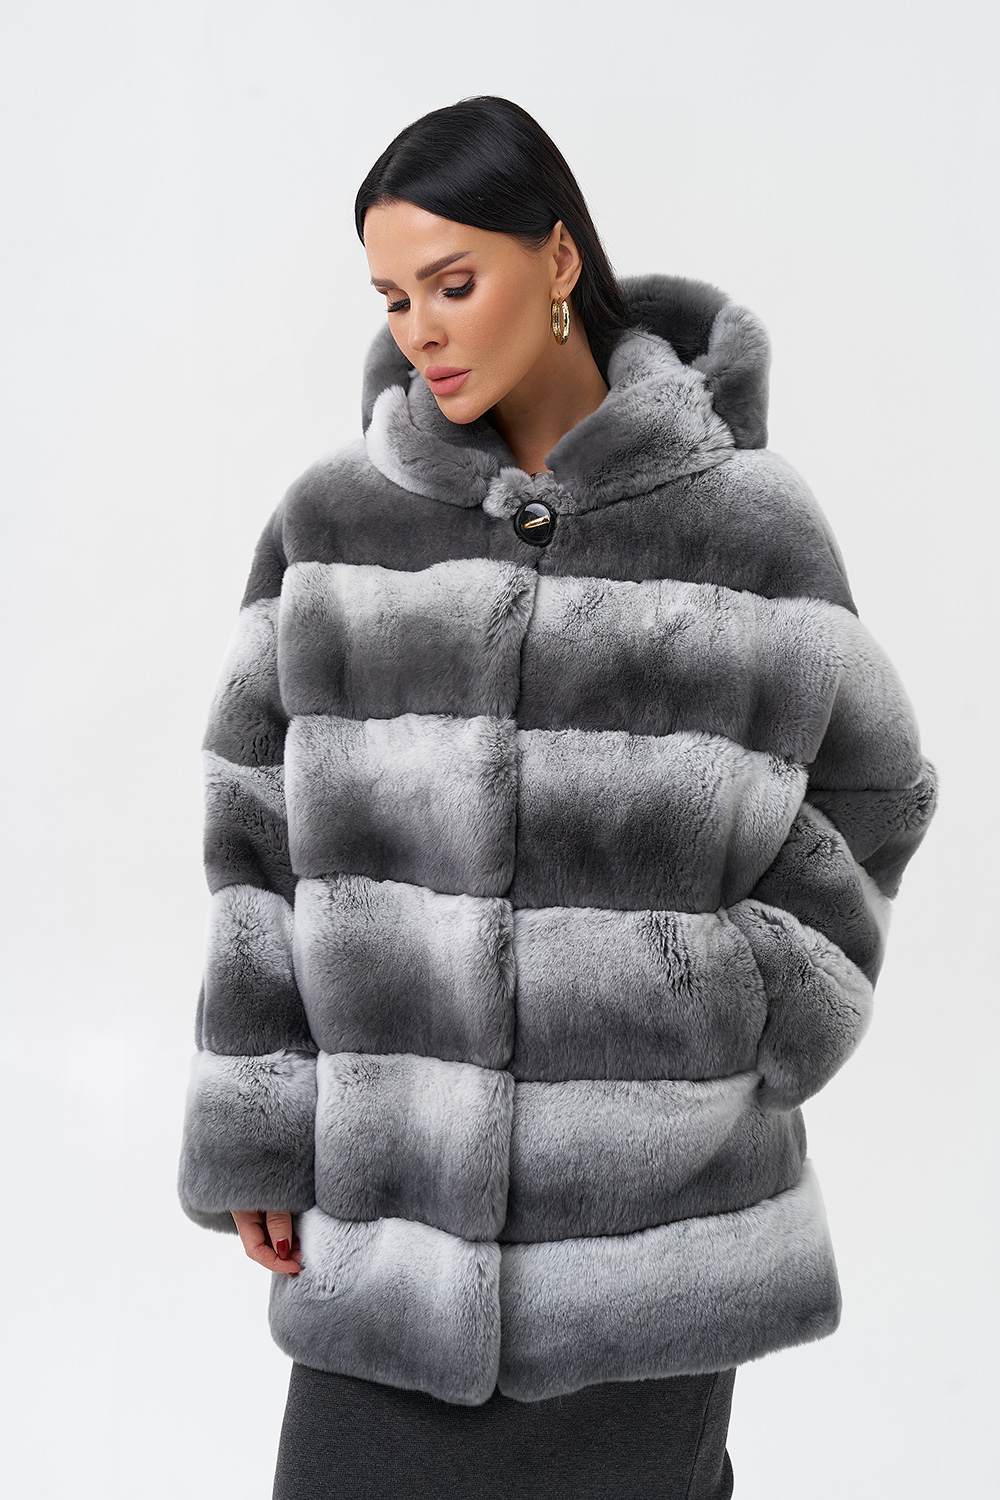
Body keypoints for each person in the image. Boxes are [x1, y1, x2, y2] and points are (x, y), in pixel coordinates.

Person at [176, 96, 938, 1499]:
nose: (423, 330)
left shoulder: (749, 526)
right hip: (392, 1230)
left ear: (560, 258)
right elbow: (254, 837)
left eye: (453, 283)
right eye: (394, 298)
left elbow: (876, 789)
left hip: (652, 1239)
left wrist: (755, 1001)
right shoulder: (333, 527)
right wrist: (261, 1126)